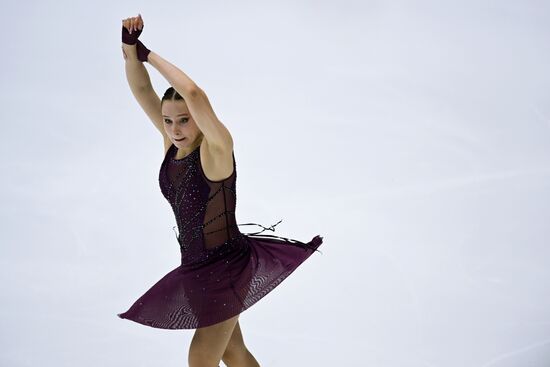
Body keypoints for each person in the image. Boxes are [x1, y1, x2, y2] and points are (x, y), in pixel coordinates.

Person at [117, 14, 324, 367]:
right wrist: (128, 47)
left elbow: (194, 93)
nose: (175, 128)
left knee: (200, 359)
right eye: (168, 120)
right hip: (195, 267)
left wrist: (149, 55)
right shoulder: (172, 146)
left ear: (198, 118)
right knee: (233, 351)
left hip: (228, 266)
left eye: (184, 119)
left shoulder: (216, 149)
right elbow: (140, 89)